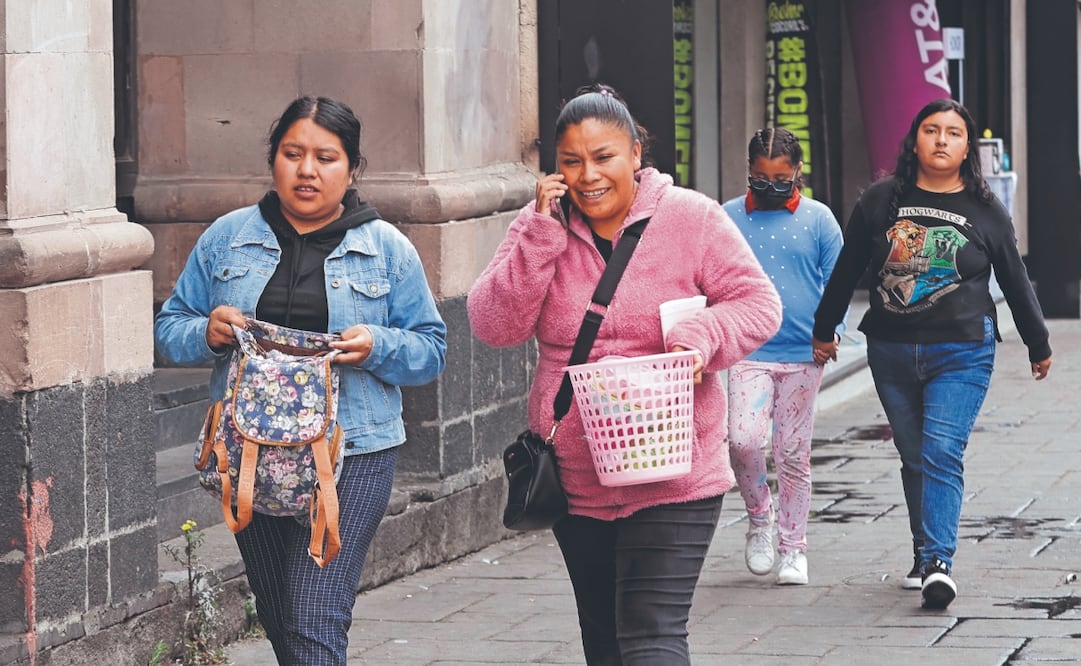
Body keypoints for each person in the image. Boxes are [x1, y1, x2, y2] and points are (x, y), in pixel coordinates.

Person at [467, 83, 782, 664]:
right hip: (578, 477)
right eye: (571, 161)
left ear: (636, 153)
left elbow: (757, 304)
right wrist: (538, 235)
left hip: (675, 473)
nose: (589, 175)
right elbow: (494, 325)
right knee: (605, 640)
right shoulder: (539, 226)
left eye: (604, 156)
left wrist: (699, 341)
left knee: (650, 633)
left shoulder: (691, 218)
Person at [155, 95, 447, 664]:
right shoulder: (227, 238)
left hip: (351, 453)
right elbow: (170, 328)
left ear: (352, 168)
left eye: (326, 157)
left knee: (316, 614)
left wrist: (377, 346)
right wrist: (207, 333)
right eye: (293, 154)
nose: (307, 170)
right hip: (248, 452)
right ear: (273, 160)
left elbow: (431, 349)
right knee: (279, 612)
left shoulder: (386, 249)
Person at [812, 98, 1052, 610]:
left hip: (962, 349)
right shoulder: (880, 201)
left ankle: (940, 563)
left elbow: (1014, 277)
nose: (941, 140)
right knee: (914, 454)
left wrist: (1038, 341)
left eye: (953, 133)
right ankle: (924, 554)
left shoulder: (986, 210)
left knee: (942, 451)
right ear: (914, 140)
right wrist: (824, 327)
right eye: (931, 130)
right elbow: (849, 267)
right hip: (891, 351)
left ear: (968, 148)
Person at [722, 127, 845, 586]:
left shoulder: (819, 219)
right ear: (748, 172)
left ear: (798, 173)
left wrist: (830, 333)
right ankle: (760, 519)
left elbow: (838, 281)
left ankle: (794, 548)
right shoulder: (727, 217)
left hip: (802, 353)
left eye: (781, 177)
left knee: (793, 452)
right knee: (743, 441)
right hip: (747, 349)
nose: (770, 186)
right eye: (760, 177)